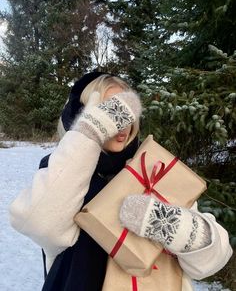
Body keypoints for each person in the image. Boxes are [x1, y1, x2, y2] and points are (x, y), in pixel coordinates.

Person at [9, 72, 232, 291]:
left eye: (127, 112)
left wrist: (179, 230)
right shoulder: (62, 174)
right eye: (110, 112)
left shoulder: (152, 168)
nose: (122, 125)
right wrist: (88, 134)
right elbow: (42, 225)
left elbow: (213, 261)